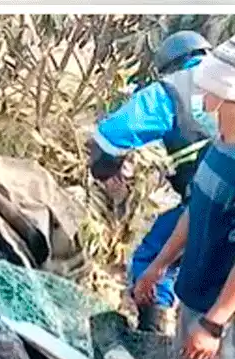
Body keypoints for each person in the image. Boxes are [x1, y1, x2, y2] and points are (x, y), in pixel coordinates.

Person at [134, 36, 235, 359]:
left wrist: (213, 324)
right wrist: (158, 265)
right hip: (193, 298)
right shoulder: (220, 146)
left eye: (213, 97)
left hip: (221, 322)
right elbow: (195, 212)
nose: (205, 105)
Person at [89, 30, 214, 333]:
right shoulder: (227, 75)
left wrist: (105, 171)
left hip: (214, 200)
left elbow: (111, 136)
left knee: (154, 260)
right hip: (214, 194)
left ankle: (152, 343)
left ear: (170, 65)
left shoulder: (173, 89)